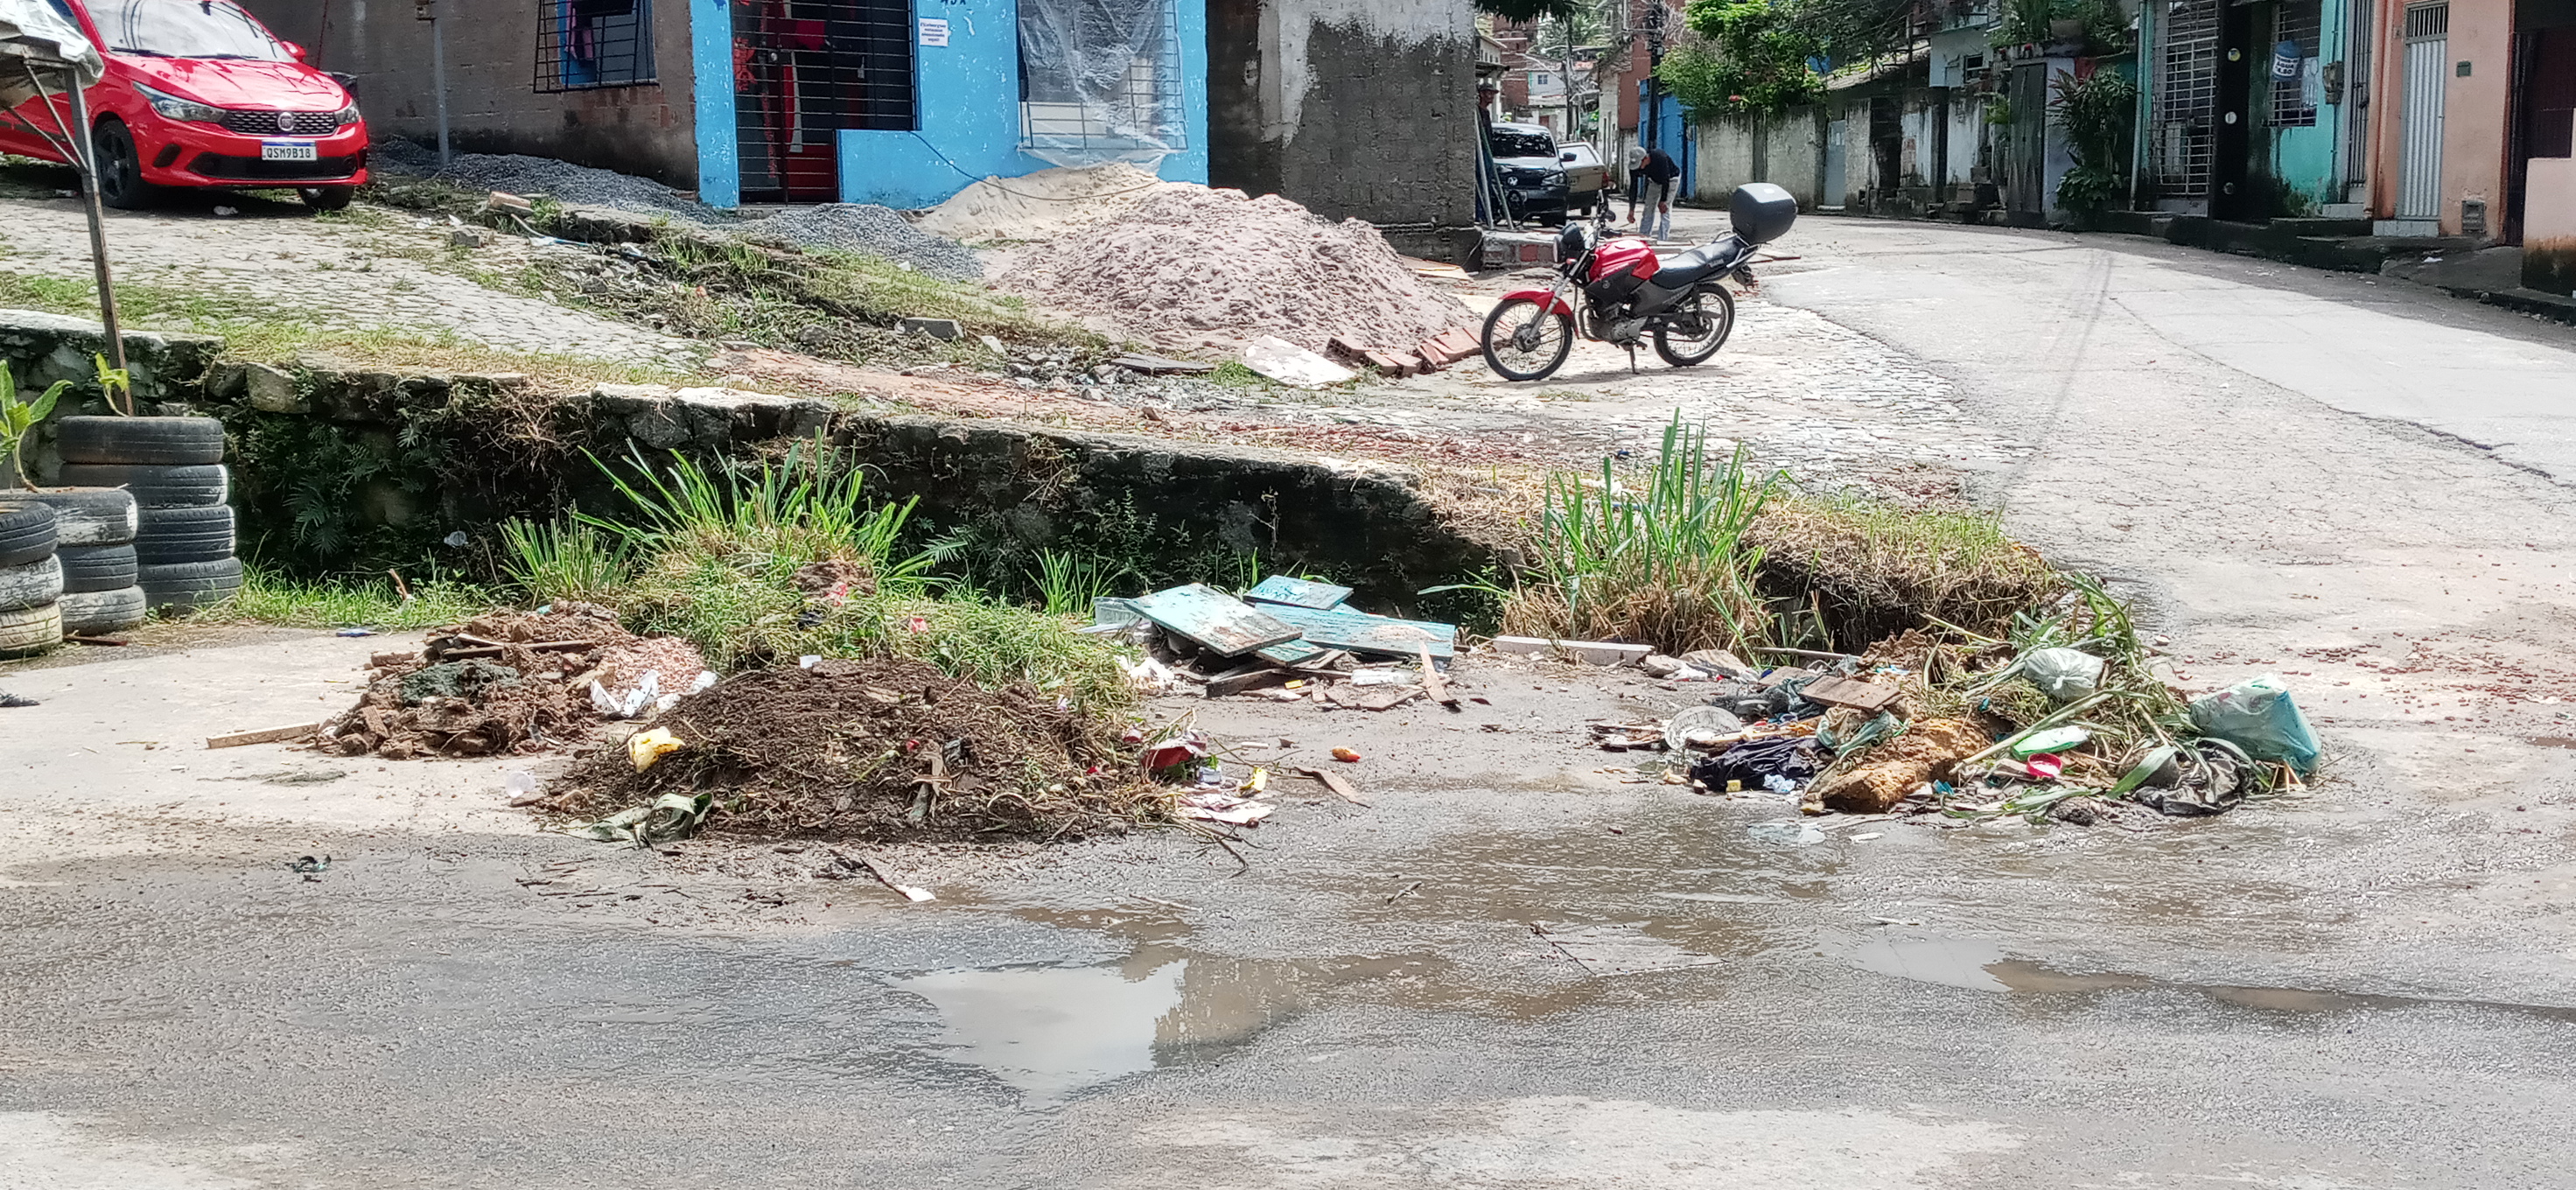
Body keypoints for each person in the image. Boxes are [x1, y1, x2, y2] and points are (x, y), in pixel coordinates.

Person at [1635, 146, 1681, 242]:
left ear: (1646, 159)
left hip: (1671, 179)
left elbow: (1666, 180)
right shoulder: (1636, 164)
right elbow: (1633, 185)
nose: (1639, 167)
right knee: (1648, 208)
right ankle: (1644, 237)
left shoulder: (1660, 158)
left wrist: (1663, 200)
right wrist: (1631, 209)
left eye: (1640, 164)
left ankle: (1662, 240)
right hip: (1654, 181)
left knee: (1665, 210)